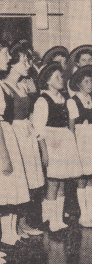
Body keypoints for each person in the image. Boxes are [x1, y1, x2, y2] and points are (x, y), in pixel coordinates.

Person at [32, 62, 83, 232]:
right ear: (47, 81)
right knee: (53, 182)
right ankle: (51, 220)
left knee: (61, 182)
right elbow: (38, 128)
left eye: (61, 76)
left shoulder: (64, 98)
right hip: (52, 143)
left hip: (63, 142)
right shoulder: (43, 100)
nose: (61, 79)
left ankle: (58, 218)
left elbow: (69, 125)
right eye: (57, 77)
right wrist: (45, 151)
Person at [2, 42, 45, 236]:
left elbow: (31, 113)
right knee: (19, 181)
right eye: (24, 61)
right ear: (11, 64)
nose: (28, 65)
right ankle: (15, 227)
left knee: (30, 181)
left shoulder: (24, 85)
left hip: (27, 134)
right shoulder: (4, 85)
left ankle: (23, 223)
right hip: (14, 135)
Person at [0, 40, 31, 252]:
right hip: (3, 139)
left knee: (9, 192)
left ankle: (9, 235)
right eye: (4, 53)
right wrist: (3, 155)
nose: (9, 58)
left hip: (8, 135)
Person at [67, 65, 92, 227]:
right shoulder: (73, 101)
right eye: (86, 81)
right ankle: (83, 215)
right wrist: (72, 146)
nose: (89, 84)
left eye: (91, 81)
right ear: (78, 84)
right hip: (81, 139)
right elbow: (71, 127)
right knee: (82, 178)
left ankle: (91, 213)